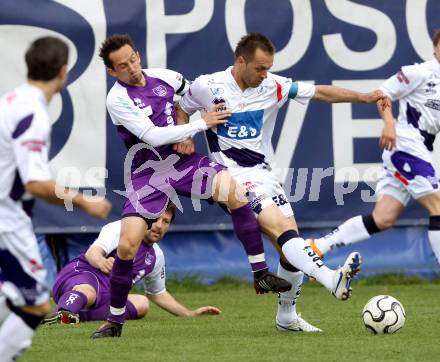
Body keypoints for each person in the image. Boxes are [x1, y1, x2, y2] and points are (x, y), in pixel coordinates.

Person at [177, 32, 389, 332]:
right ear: (241, 61)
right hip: (231, 178)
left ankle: (286, 317)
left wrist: (363, 97)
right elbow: (182, 107)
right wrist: (185, 134)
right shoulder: (207, 85)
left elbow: (320, 93)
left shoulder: (272, 85)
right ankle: (331, 279)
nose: (265, 74)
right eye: (260, 68)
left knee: (289, 244)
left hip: (265, 176)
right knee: (282, 230)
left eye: (268, 68)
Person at [92, 34, 290, 339]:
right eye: (122, 65)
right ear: (112, 72)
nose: (131, 67)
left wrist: (190, 133)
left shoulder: (166, 77)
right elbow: (154, 135)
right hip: (147, 172)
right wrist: (200, 125)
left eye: (133, 59)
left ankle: (260, 273)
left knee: (237, 193)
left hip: (183, 162)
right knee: (128, 245)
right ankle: (115, 321)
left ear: (138, 55)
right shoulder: (116, 99)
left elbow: (190, 99)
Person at [0, 37, 112, 361]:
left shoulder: (10, 101)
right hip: (8, 219)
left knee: (14, 293)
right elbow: (35, 183)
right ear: (64, 72)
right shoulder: (32, 112)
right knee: (36, 305)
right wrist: (84, 201)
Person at [307, 29, 440, 263]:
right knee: (438, 206)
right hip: (406, 146)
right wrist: (389, 124)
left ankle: (317, 247)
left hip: (420, 149)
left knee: (383, 218)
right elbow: (382, 95)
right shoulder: (419, 72)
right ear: (435, 46)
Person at [41, 204, 220, 325]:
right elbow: (92, 253)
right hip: (83, 274)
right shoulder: (121, 228)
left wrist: (189, 313)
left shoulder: (156, 255)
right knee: (88, 291)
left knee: (142, 303)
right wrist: (102, 262)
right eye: (155, 219)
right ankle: (62, 312)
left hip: (109, 294)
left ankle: (76, 315)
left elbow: (158, 294)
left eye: (165, 222)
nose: (159, 226)